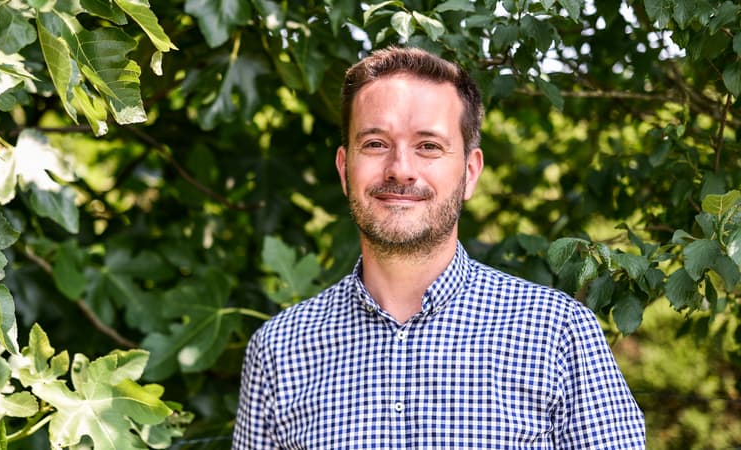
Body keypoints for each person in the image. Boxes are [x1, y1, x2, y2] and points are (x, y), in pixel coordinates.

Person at [232, 46, 646, 449]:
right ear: (344, 168)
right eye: (375, 143)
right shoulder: (278, 350)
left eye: (428, 146)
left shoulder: (558, 334)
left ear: (469, 172)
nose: (401, 169)